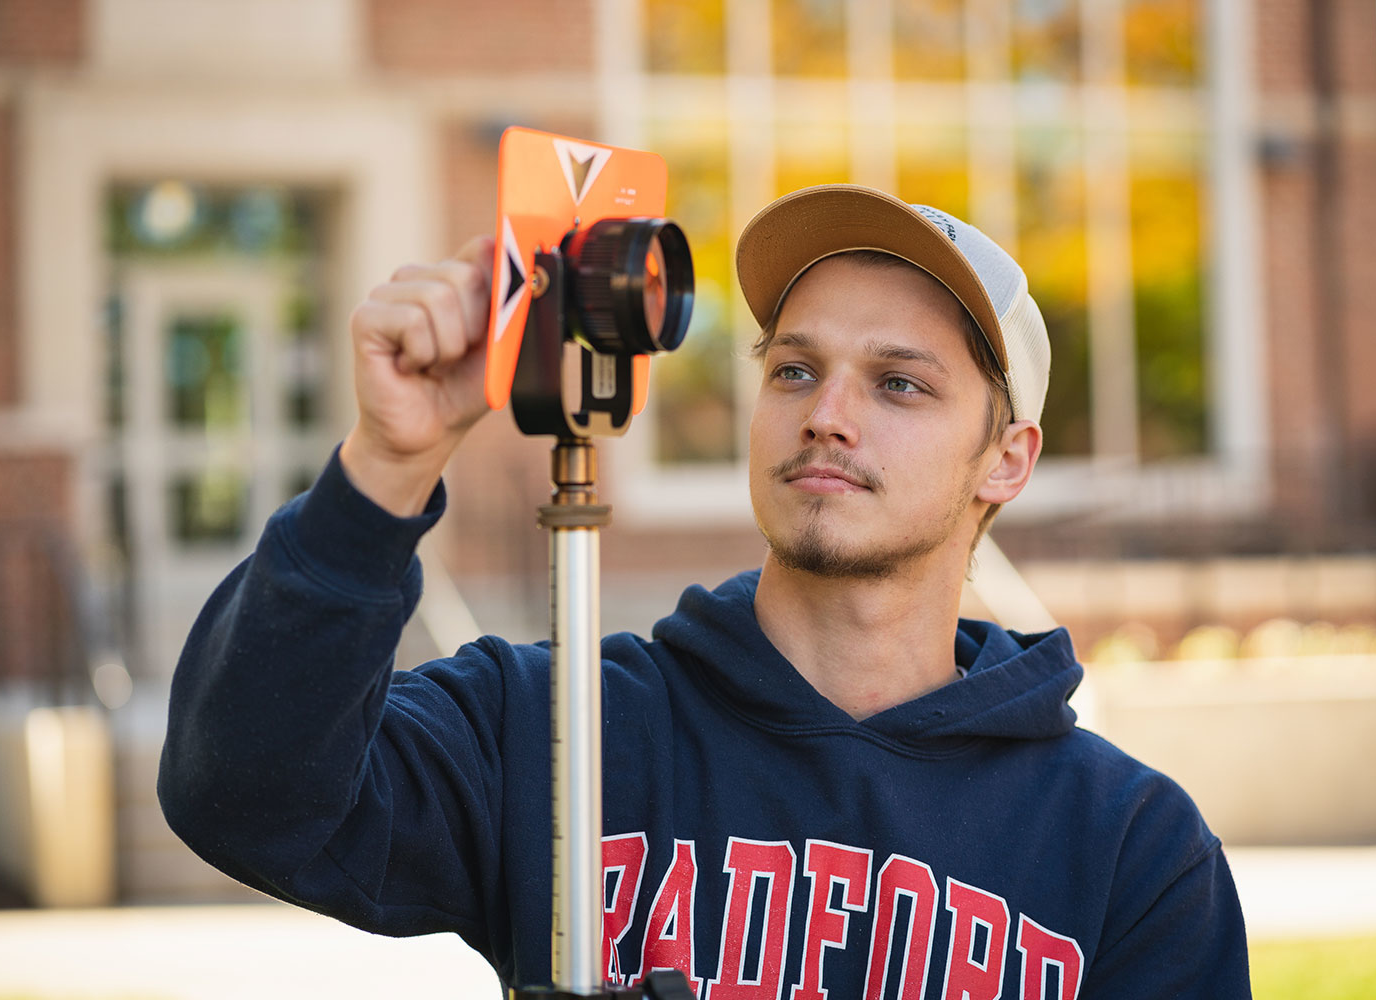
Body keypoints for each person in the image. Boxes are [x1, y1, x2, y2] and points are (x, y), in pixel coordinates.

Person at [159, 184, 1251, 998]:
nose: (828, 411)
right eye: (793, 367)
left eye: (900, 382)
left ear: (1006, 459)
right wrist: (386, 468)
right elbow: (245, 799)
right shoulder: (557, 728)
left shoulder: (1130, 849)